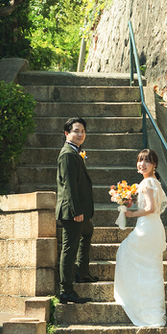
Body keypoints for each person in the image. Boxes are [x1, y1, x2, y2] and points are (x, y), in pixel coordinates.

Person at [113, 148, 167, 328]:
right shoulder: (153, 182)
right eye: (140, 160)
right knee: (151, 268)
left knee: (124, 252)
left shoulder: (146, 183)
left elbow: (150, 208)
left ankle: (138, 302)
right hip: (154, 227)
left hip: (147, 227)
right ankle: (152, 311)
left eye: (147, 161)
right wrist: (126, 199)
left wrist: (131, 213)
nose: (142, 164)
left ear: (154, 165)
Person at [56, 117, 94, 304]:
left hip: (79, 210)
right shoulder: (67, 154)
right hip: (71, 211)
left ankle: (82, 273)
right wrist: (76, 210)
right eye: (76, 131)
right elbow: (69, 186)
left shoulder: (75, 152)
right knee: (69, 249)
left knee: (88, 231)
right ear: (67, 134)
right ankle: (66, 290)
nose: (80, 134)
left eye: (83, 131)